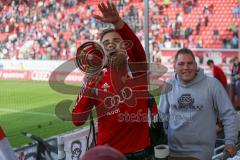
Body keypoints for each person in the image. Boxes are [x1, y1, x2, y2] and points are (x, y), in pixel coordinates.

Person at [72, 1, 154, 160]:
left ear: (125, 47)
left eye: (116, 42)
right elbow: (77, 120)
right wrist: (89, 86)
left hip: (141, 154)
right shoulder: (96, 78)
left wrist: (118, 23)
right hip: (107, 155)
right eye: (106, 44)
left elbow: (137, 48)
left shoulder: (137, 72)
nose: (111, 46)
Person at [158, 48, 238, 160]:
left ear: (196, 65)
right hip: (172, 152)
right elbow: (162, 116)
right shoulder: (168, 86)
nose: (186, 67)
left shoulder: (212, 85)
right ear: (174, 66)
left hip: (200, 154)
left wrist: (230, 141)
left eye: (189, 63)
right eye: (181, 64)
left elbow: (229, 115)